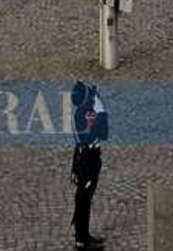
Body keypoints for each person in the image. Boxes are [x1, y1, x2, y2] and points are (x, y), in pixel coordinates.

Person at [70, 81, 109, 250]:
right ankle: (81, 241)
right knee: (83, 200)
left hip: (85, 157)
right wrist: (99, 104)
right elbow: (103, 132)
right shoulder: (84, 115)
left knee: (85, 199)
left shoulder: (82, 111)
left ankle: (84, 235)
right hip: (88, 159)